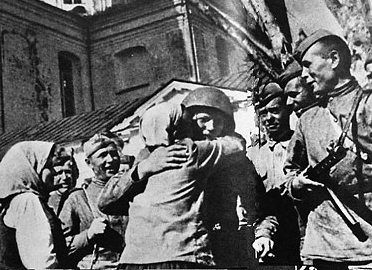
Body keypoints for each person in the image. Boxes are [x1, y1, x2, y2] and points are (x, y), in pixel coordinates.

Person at [98, 99, 246, 267]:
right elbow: (237, 145)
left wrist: (142, 169)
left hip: (134, 261)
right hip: (181, 256)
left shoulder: (143, 160)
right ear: (176, 129)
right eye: (189, 122)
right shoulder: (190, 151)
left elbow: (105, 203)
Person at [285, 30, 372, 268]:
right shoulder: (308, 119)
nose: (303, 76)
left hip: (366, 244)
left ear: (333, 60)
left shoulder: (368, 106)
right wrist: (297, 185)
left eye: (308, 65)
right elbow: (289, 173)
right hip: (323, 248)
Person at [182, 86, 278, 266]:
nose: (210, 127)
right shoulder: (179, 162)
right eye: (202, 120)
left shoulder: (238, 163)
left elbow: (262, 209)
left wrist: (263, 234)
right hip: (191, 255)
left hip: (231, 248)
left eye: (217, 122)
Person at [0, 140, 71, 270]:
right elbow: (43, 263)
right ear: (31, 168)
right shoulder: (27, 202)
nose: (54, 172)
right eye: (50, 166)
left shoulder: (14, 202)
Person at [248, 83, 302, 265]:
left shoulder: (303, 146)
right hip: (269, 240)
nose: (269, 118)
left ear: (288, 110)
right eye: (264, 113)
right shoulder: (254, 155)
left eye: (275, 111)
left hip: (305, 235)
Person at [59, 134, 126, 267]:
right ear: (89, 163)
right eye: (102, 155)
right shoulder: (78, 198)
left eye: (114, 153)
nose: (110, 160)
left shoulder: (131, 191)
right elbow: (60, 248)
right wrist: (88, 235)